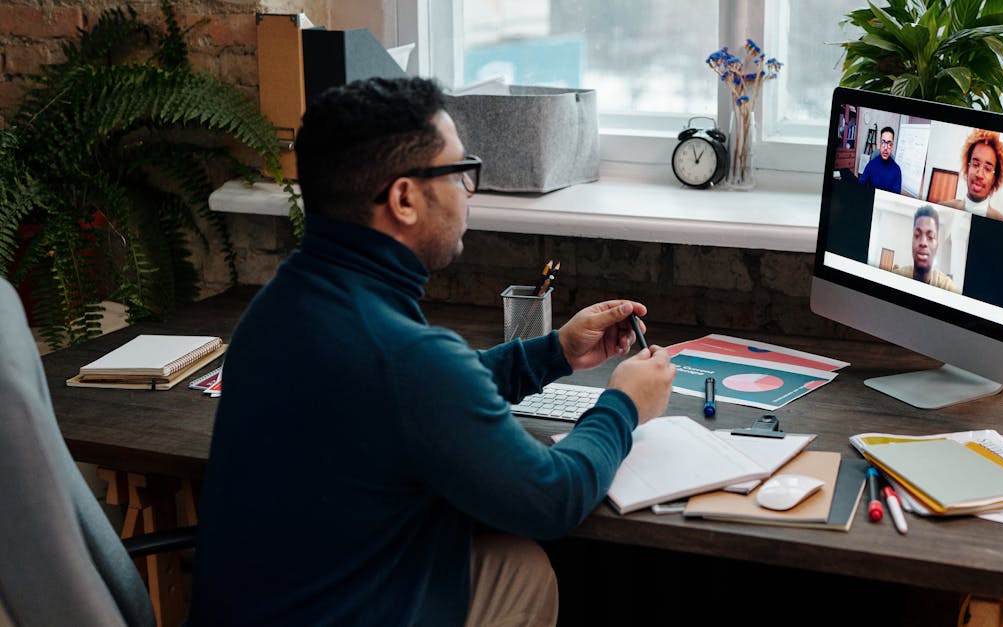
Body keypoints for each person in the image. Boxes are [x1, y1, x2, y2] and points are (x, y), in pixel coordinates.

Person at [188, 77, 677, 626]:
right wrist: (624, 405)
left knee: (518, 568)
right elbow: (552, 498)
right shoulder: (404, 357)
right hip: (350, 607)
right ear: (403, 198)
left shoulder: (278, 306)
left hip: (273, 602)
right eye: (460, 171)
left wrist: (555, 352)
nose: (470, 189)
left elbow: (414, 396)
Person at [938, 128, 1003, 223]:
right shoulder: (940, 210)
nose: (979, 174)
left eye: (988, 169)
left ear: (995, 178)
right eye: (975, 164)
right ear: (967, 167)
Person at [892, 205, 961, 294]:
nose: (923, 242)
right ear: (912, 241)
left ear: (937, 246)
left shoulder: (948, 289)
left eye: (930, 237)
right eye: (917, 235)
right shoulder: (896, 278)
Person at [858, 126, 901, 194]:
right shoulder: (871, 164)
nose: (885, 148)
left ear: (892, 146)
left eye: (889, 144)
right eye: (883, 142)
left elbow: (896, 197)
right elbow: (860, 184)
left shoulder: (897, 170)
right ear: (880, 144)